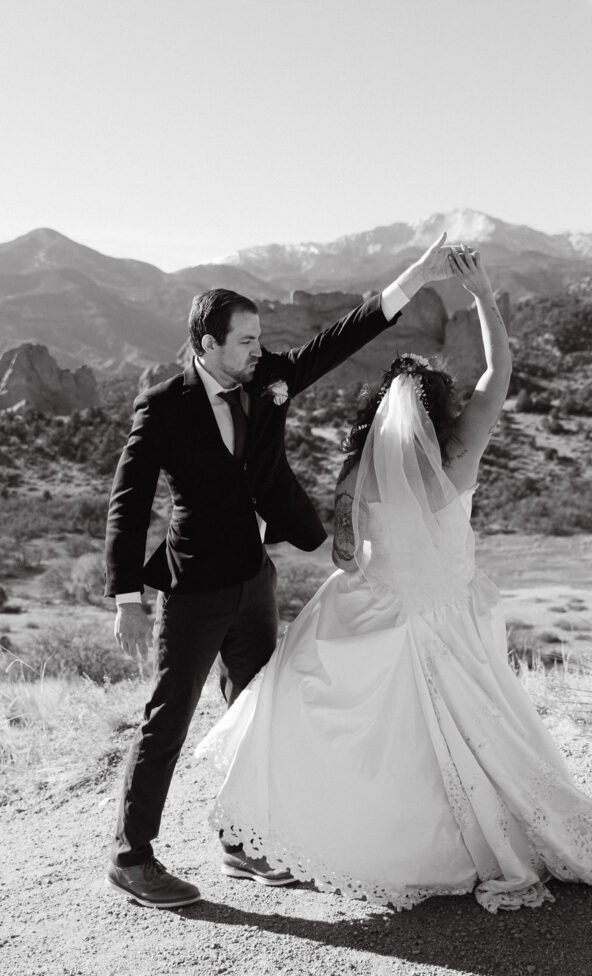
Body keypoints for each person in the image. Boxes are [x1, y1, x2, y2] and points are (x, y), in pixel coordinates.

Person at [196, 247, 592, 913]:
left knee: (301, 695)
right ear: (440, 411)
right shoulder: (461, 452)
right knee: (484, 737)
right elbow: (498, 369)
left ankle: (324, 830)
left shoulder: (354, 471)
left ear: (377, 421)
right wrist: (483, 295)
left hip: (375, 608)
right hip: (451, 617)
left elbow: (343, 555)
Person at [104, 233, 458, 908]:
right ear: (204, 344)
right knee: (168, 718)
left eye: (259, 338)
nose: (256, 351)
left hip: (254, 578)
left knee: (258, 712)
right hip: (194, 586)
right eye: (243, 341)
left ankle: (243, 843)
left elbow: (340, 336)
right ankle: (131, 857)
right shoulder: (162, 406)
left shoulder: (263, 377)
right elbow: (128, 503)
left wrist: (414, 276)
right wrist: (126, 596)